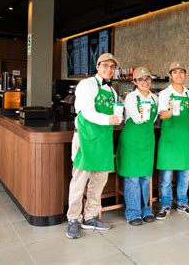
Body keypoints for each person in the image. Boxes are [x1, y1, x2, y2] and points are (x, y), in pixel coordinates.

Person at [66, 53, 122, 239]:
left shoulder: (113, 92)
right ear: (97, 66)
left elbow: (114, 115)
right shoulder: (87, 85)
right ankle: (73, 219)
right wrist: (108, 119)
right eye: (105, 65)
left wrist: (118, 118)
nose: (109, 69)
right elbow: (86, 112)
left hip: (103, 142)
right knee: (79, 182)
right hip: (86, 139)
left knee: (98, 183)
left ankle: (90, 217)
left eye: (112, 67)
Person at [116, 67, 158, 226]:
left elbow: (153, 120)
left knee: (145, 178)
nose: (145, 82)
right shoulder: (131, 98)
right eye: (141, 79)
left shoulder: (154, 98)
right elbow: (137, 118)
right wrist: (142, 113)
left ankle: (146, 210)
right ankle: (133, 213)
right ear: (134, 82)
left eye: (147, 79)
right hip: (132, 141)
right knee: (133, 178)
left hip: (147, 140)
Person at [156, 61, 189, 219]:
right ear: (170, 75)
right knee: (166, 176)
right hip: (169, 139)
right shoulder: (165, 93)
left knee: (185, 174)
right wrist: (172, 110)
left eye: (181, 72)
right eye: (175, 72)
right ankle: (165, 205)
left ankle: (182, 202)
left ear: (185, 75)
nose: (178, 75)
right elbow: (163, 116)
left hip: (184, 138)